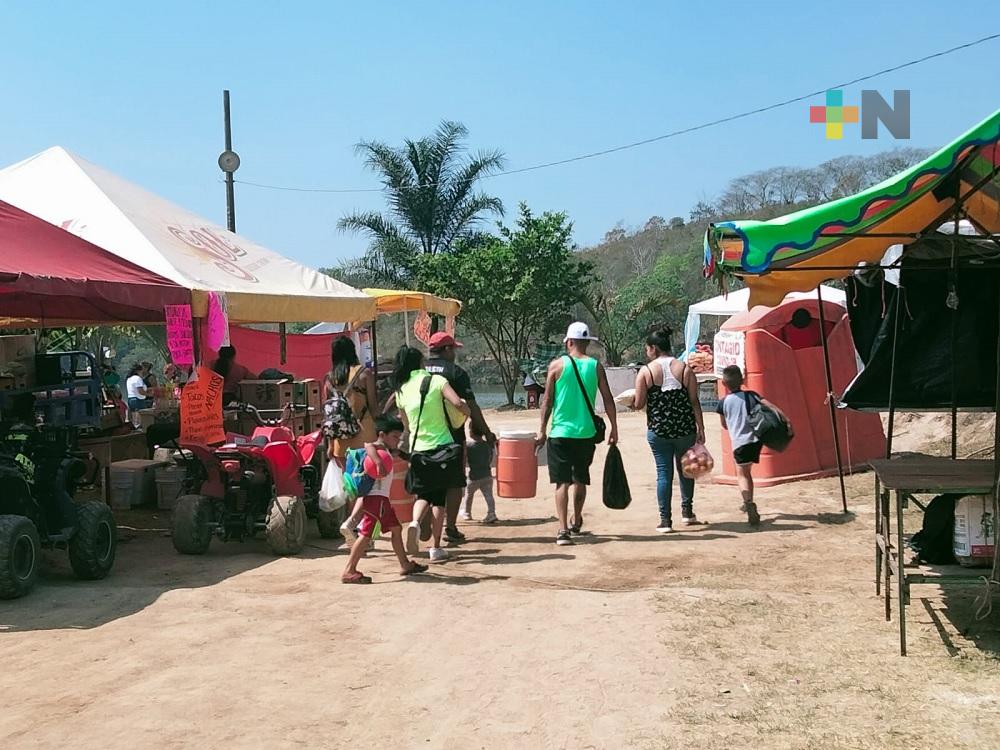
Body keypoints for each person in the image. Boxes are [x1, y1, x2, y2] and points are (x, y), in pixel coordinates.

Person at [536, 322, 618, 546]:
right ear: (587, 343)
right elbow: (608, 399)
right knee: (580, 478)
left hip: (560, 433)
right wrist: (614, 428)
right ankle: (577, 519)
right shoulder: (595, 366)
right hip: (585, 433)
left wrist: (542, 430)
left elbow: (547, 402)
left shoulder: (556, 366)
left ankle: (563, 530)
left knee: (561, 482)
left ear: (569, 342)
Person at [393, 345, 471, 562]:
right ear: (420, 364)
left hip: (418, 450)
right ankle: (436, 548)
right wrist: (466, 410)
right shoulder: (437, 381)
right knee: (439, 499)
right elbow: (456, 402)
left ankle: (415, 522)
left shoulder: (401, 390)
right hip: (443, 448)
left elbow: (407, 427)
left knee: (423, 495)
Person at [424, 332, 495, 544]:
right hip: (451, 436)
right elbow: (471, 407)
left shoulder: (418, 370)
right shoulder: (456, 373)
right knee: (454, 482)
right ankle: (450, 527)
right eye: (453, 349)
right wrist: (487, 431)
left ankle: (424, 523)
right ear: (446, 350)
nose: (455, 353)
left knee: (426, 483)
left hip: (422, 436)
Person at [633, 327, 706, 533]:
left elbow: (639, 404)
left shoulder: (646, 372)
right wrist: (700, 427)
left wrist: (631, 401)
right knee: (687, 470)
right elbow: (694, 401)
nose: (647, 352)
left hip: (659, 431)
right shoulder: (685, 369)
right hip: (685, 429)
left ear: (653, 349)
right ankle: (687, 512)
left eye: (647, 348)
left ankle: (665, 520)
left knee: (663, 474)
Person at [341, 416, 428, 583]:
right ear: (382, 434)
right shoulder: (378, 448)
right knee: (367, 534)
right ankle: (349, 570)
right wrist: (378, 462)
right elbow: (368, 445)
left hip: (382, 500)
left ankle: (405, 564)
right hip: (376, 500)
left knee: (396, 529)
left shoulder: (387, 449)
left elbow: (393, 452)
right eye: (395, 436)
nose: (397, 440)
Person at [716, 366, 792, 527]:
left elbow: (724, 425)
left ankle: (749, 503)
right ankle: (748, 500)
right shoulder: (751, 395)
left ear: (724, 383)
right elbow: (771, 406)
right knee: (748, 473)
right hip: (755, 442)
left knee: (741, 475)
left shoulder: (723, 403)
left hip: (739, 443)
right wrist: (786, 420)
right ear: (742, 380)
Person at [325, 337, 378, 460]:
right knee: (367, 477)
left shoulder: (330, 379)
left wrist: (330, 445)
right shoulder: (364, 374)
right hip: (365, 439)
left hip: (341, 439)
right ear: (353, 351)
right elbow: (374, 408)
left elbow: (329, 414)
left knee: (347, 478)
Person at [460, 423, 497, 524]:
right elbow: (490, 458)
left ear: (471, 431)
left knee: (469, 495)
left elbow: (465, 459)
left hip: (474, 476)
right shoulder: (487, 445)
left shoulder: (469, 446)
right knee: (489, 495)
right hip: (487, 475)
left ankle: (467, 513)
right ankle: (491, 513)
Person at [125, 363, 151, 427]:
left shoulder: (129, 379)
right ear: (138, 371)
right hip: (138, 400)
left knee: (134, 417)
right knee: (142, 417)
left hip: (130, 399)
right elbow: (140, 391)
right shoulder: (137, 378)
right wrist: (150, 395)